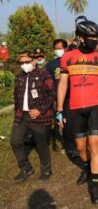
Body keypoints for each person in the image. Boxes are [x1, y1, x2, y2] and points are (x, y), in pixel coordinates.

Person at [57, 16, 98, 204]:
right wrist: (59, 110)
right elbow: (63, 84)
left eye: (96, 37)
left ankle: (95, 187)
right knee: (81, 148)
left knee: (94, 145)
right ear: (80, 37)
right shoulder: (67, 58)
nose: (94, 41)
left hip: (95, 107)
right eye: (91, 37)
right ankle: (87, 168)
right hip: (75, 108)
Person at [45, 39, 88, 185]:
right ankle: (71, 148)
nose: (58, 50)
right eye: (55, 48)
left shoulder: (71, 60)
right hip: (58, 99)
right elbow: (47, 80)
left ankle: (79, 147)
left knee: (72, 123)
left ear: (65, 49)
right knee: (62, 124)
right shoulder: (51, 65)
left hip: (72, 97)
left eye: (60, 48)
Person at [10, 52, 55, 183]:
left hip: (39, 116)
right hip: (21, 115)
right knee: (15, 141)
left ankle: (46, 169)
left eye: (27, 61)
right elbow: (16, 97)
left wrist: (39, 109)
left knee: (41, 144)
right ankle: (26, 168)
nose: (24, 65)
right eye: (21, 63)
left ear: (34, 61)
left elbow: (52, 94)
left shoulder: (44, 75)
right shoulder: (19, 77)